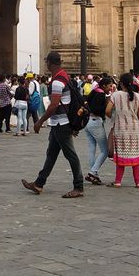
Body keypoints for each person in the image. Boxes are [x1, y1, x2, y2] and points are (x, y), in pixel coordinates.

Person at [22, 50, 84, 199]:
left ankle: (79, 186)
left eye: (46, 62)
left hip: (62, 123)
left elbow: (54, 105)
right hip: (59, 123)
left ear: (50, 63)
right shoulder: (64, 76)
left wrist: (40, 121)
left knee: (71, 155)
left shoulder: (57, 81)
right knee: (51, 154)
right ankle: (39, 183)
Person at [106, 72, 139, 188]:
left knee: (121, 156)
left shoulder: (116, 95)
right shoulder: (138, 96)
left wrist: (115, 117)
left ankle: (118, 181)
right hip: (135, 130)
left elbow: (107, 111)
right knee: (135, 157)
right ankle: (138, 182)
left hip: (120, 130)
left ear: (121, 84)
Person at [84, 74, 113, 185]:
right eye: (109, 86)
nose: (110, 88)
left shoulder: (94, 91)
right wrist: (106, 105)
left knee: (92, 148)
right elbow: (97, 109)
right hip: (95, 121)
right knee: (105, 150)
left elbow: (87, 103)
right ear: (104, 86)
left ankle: (93, 174)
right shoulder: (100, 95)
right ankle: (93, 172)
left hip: (88, 122)